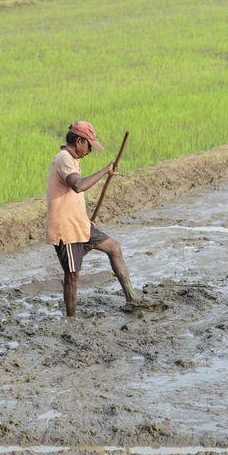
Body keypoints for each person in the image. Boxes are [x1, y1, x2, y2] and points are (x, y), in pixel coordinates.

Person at [46, 121, 148, 317]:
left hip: (78, 224)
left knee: (114, 247)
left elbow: (70, 197)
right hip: (66, 229)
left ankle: (131, 298)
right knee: (72, 276)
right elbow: (78, 186)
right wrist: (105, 170)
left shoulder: (72, 160)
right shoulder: (64, 158)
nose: (90, 150)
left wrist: (84, 219)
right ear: (79, 141)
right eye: (89, 145)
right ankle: (71, 319)